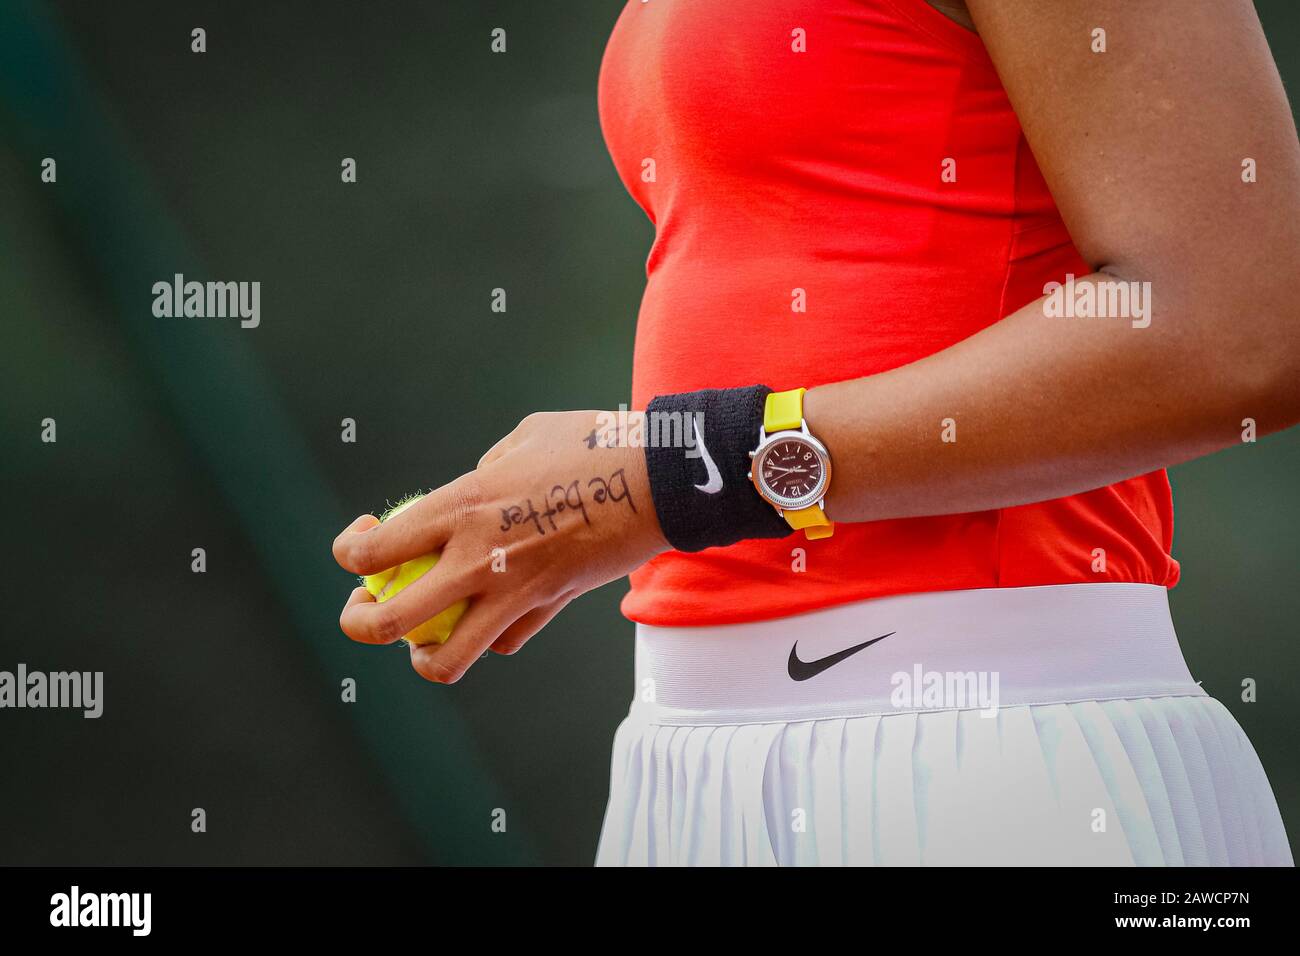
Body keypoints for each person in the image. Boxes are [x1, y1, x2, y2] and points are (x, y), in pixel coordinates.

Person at [333, 0, 1298, 865]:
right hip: (683, 760)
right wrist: (647, 484)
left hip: (999, 750)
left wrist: (669, 476)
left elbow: (1246, 327)